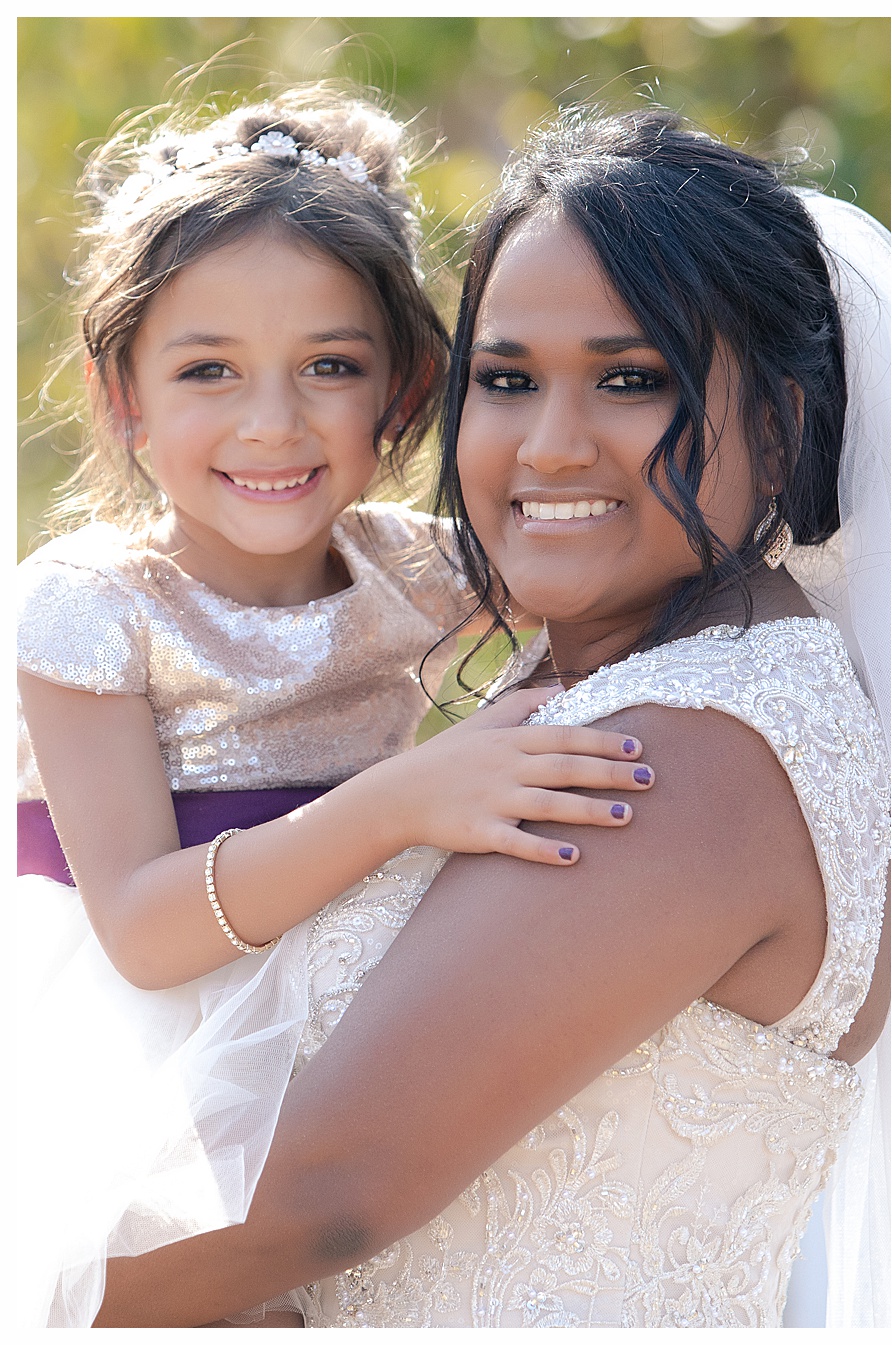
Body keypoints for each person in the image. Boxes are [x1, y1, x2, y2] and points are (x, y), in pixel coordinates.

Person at [89, 106, 892, 1328]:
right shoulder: (611, 689)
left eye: (633, 381)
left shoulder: (686, 749)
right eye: (507, 381)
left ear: (782, 424)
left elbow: (323, 1193)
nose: (551, 446)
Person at [17, 89, 653, 1328]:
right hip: (128, 1053)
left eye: (330, 367)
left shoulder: (423, 573)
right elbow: (144, 929)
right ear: (123, 393)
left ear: (405, 388)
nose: (273, 421)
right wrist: (407, 797)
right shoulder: (87, 605)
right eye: (209, 370)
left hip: (347, 1029)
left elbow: (615, 595)